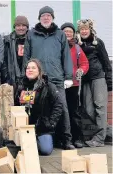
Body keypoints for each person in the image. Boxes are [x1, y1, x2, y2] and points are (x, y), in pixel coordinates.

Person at [23, 6, 75, 150]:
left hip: (57, 79)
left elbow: (66, 56)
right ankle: (33, 138)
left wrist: (68, 76)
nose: (46, 18)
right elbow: (26, 57)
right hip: (37, 81)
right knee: (34, 108)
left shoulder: (60, 34)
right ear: (39, 18)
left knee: (62, 109)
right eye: (43, 16)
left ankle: (66, 140)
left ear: (52, 18)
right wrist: (25, 76)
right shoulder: (31, 34)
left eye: (48, 16)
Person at [15, 59, 63, 156]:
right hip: (24, 126)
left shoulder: (48, 86)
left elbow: (58, 105)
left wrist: (51, 123)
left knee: (45, 150)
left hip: (42, 127)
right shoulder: (20, 86)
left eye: (33, 68)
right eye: (28, 68)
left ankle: (36, 141)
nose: (30, 70)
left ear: (39, 71)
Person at [77, 19, 112, 147]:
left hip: (98, 78)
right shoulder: (78, 44)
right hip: (85, 80)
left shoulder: (98, 43)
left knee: (100, 108)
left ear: (90, 29)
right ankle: (106, 132)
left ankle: (99, 139)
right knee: (88, 109)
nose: (84, 31)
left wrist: (109, 81)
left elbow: (106, 62)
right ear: (79, 31)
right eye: (82, 29)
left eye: (86, 29)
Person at [61, 22, 89, 148]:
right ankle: (61, 139)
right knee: (60, 112)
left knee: (74, 112)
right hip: (59, 84)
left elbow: (84, 63)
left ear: (73, 34)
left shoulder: (77, 48)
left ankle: (77, 138)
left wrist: (81, 70)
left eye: (70, 31)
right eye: (65, 31)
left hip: (73, 84)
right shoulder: (57, 46)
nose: (67, 33)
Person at [1, 16, 29, 85]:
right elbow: (4, 60)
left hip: (29, 77)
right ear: (14, 27)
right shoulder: (7, 41)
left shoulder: (32, 40)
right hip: (11, 79)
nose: (21, 28)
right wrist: (6, 77)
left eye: (23, 25)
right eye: (18, 25)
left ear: (27, 27)